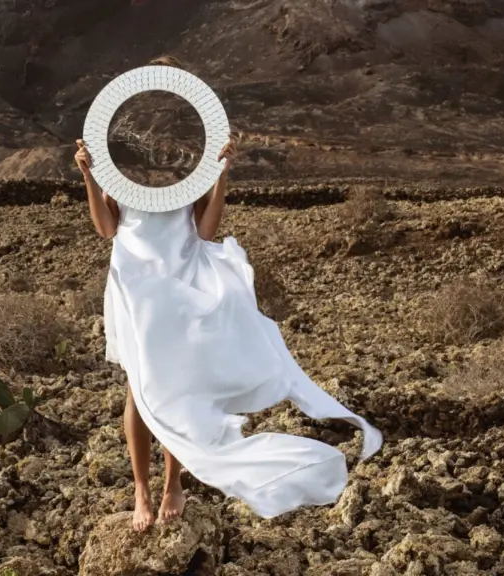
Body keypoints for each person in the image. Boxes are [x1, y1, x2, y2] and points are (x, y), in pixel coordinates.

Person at [74, 68, 382, 533]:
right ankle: (140, 488)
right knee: (139, 390)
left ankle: (171, 484)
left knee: (179, 386)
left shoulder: (185, 175)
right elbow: (106, 230)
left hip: (178, 288)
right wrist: (89, 178)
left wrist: (220, 176)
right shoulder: (123, 174)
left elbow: (205, 232)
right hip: (134, 287)